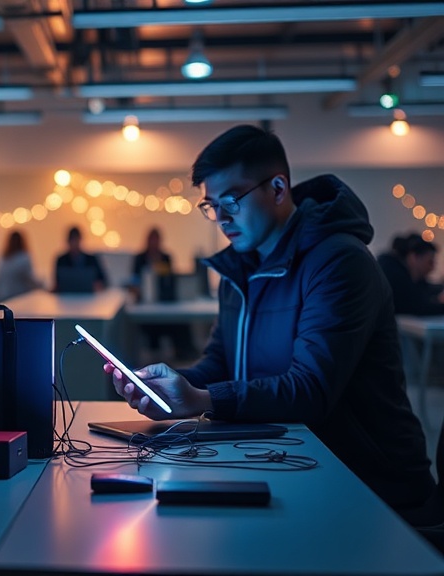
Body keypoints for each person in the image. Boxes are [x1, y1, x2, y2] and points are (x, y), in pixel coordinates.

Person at [108, 125, 434, 514]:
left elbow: (311, 389)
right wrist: (165, 386)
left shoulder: (339, 263)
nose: (221, 219)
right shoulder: (239, 270)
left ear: (278, 189)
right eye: (211, 207)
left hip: (370, 485)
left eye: (231, 201)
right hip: (290, 462)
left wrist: (201, 400)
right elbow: (221, 363)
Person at [132, 227, 197, 361]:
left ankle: (184, 353)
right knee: (152, 325)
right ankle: (155, 354)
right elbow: (134, 280)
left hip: (165, 301)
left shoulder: (166, 257)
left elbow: (170, 280)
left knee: (179, 321)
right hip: (146, 305)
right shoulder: (139, 258)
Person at [378, 233, 444, 316]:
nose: (432, 268)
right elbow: (417, 306)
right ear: (413, 257)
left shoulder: (400, 274)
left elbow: (425, 288)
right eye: (430, 262)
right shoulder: (394, 278)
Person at [54, 226, 107, 292]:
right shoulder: (61, 260)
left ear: (80, 240)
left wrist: (95, 286)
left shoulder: (91, 259)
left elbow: (104, 281)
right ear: (68, 241)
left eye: (76, 240)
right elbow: (57, 284)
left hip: (90, 298)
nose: (74, 244)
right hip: (66, 298)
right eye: (72, 240)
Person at [0, 230, 42, 301]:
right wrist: (41, 286)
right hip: (20, 297)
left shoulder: (3, 259)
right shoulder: (23, 258)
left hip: (4, 296)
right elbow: (30, 278)